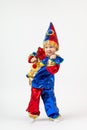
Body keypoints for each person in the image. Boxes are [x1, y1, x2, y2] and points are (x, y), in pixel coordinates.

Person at [26, 22, 64, 120]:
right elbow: (31, 55)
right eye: (46, 47)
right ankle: (33, 113)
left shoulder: (56, 59)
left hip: (48, 84)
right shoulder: (40, 54)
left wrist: (53, 60)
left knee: (49, 99)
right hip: (36, 82)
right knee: (34, 98)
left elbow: (53, 70)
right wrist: (32, 59)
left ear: (56, 48)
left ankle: (53, 114)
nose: (48, 49)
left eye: (51, 47)